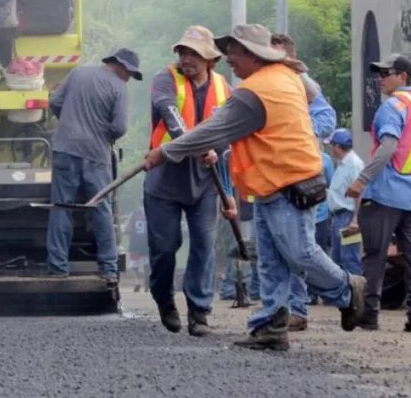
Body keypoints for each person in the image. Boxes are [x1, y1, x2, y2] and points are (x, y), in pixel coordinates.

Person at [143, 24, 366, 351]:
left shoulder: (253, 93)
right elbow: (313, 91)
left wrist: (164, 152)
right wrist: (295, 66)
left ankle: (347, 289)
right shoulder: (284, 75)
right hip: (271, 183)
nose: (229, 59)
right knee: (271, 260)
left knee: (299, 251)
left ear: (254, 55)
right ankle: (270, 327)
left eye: (235, 52)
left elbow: (211, 132)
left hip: (289, 183)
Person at [144, 26, 234, 337]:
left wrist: (219, 161)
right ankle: (164, 299)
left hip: (205, 184)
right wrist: (197, 148)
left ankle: (199, 311)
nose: (186, 58)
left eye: (193, 53)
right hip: (164, 179)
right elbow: (171, 118)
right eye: (183, 52)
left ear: (211, 59)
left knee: (204, 246)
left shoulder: (224, 88)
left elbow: (228, 135)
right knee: (165, 248)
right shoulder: (165, 79)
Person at [346, 53, 411, 333]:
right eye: (380, 73)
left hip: (386, 192)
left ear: (403, 77)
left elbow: (388, 147)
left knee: (374, 255)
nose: (381, 78)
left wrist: (362, 179)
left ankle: (369, 315)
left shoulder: (392, 106)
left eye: (387, 73)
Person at [46, 47, 140, 282]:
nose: (129, 78)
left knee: (61, 208)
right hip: (96, 155)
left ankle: (58, 268)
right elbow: (119, 128)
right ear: (121, 66)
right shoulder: (119, 87)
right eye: (130, 73)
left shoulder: (78, 73)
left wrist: (67, 120)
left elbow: (55, 100)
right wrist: (101, 132)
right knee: (101, 209)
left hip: (65, 149)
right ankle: (108, 269)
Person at [269, 33, 337, 327]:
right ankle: (279, 311)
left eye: (280, 58)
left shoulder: (305, 87)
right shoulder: (264, 86)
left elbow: (326, 120)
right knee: (275, 249)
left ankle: (308, 306)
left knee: (299, 249)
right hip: (271, 178)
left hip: (300, 181)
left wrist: (293, 129)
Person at [325, 129, 364, 276]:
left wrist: (356, 219)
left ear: (337, 147)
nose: (331, 150)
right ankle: (345, 297)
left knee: (349, 259)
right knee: (338, 260)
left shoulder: (353, 164)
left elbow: (359, 193)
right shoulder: (343, 164)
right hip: (339, 218)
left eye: (332, 146)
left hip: (347, 219)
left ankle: (356, 296)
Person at [125, 208, 150, 292]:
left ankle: (137, 282)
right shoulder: (150, 213)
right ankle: (147, 283)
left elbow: (127, 228)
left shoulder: (133, 214)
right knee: (147, 264)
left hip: (135, 243)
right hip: (147, 243)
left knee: (134, 265)